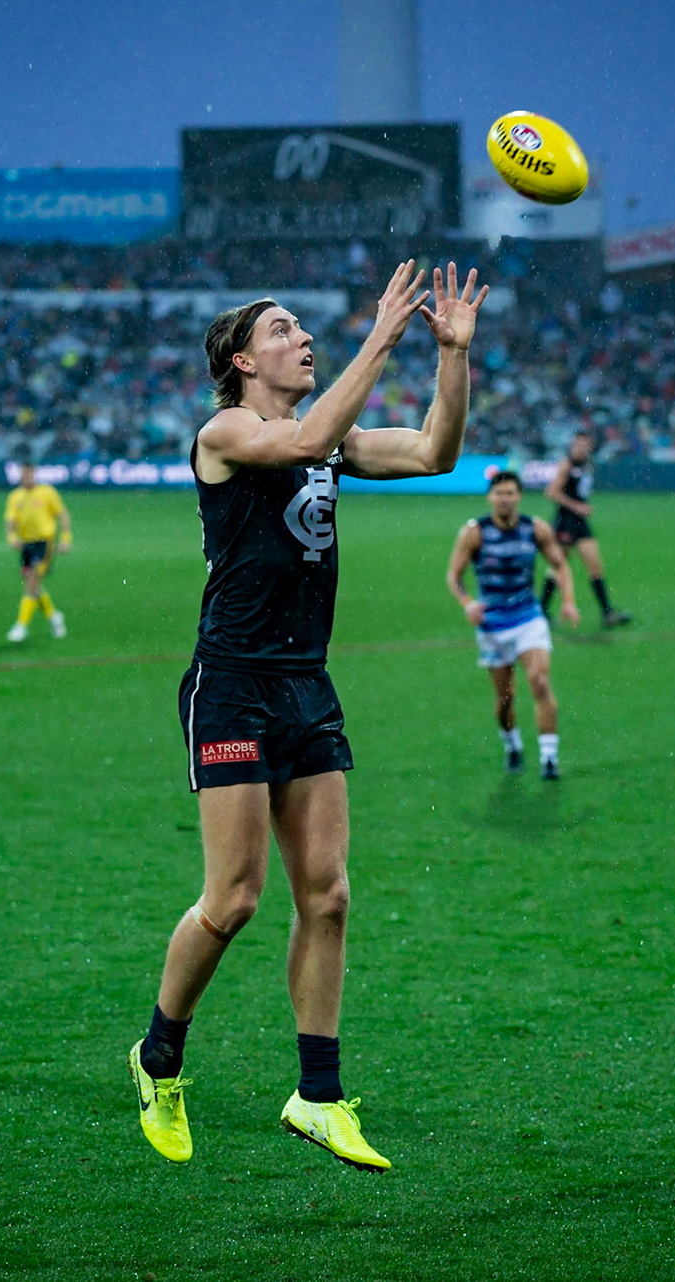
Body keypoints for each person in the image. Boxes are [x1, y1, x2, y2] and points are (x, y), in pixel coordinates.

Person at [129, 260, 487, 1172]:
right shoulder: (226, 430)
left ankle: (317, 1097)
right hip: (235, 684)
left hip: (305, 687)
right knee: (236, 899)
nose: (302, 339)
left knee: (327, 895)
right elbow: (298, 445)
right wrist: (381, 336)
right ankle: (160, 1054)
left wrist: (452, 357)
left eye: (302, 329)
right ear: (243, 362)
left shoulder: (330, 437)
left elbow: (436, 454)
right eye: (283, 331)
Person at [446, 470, 579, 780]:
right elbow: (454, 576)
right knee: (505, 698)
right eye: (499, 493)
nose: (505, 499)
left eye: (510, 493)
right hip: (493, 626)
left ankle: (549, 757)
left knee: (540, 681)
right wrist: (467, 603)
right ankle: (513, 745)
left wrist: (569, 599)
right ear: (490, 497)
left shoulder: (536, 529)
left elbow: (559, 564)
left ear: (519, 496)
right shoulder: (475, 532)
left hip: (528, 618)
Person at [542, 430, 633, 628]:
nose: (581, 448)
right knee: (558, 567)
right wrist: (577, 506)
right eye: (578, 445)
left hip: (580, 524)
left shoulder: (587, 465)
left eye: (584, 445)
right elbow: (551, 492)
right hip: (565, 522)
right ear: (572, 446)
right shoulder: (567, 465)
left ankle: (607, 612)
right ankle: (542, 610)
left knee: (595, 566)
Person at [4, 462, 73, 642]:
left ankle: (21, 625)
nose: (26, 478)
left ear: (34, 475)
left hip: (44, 543)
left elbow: (63, 515)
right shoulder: (15, 496)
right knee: (32, 585)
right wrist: (11, 536)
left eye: (29, 474)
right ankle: (54, 616)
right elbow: (10, 519)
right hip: (27, 544)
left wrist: (66, 539)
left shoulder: (47, 492)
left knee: (32, 582)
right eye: (23, 475)